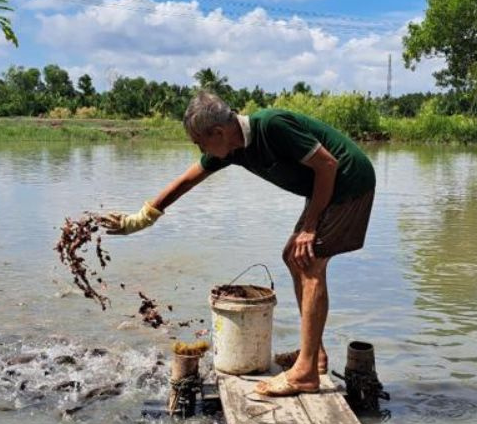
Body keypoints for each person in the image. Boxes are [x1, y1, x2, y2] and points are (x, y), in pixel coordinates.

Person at [102, 91, 375, 397]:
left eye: (199, 142)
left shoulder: (271, 126)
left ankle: (306, 373)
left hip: (349, 181)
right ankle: (314, 357)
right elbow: (186, 181)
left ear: (218, 132)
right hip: (325, 189)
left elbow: (327, 165)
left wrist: (310, 227)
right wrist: (139, 219)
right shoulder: (231, 149)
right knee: (293, 257)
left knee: (309, 261)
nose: (200, 148)